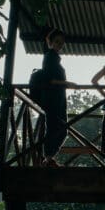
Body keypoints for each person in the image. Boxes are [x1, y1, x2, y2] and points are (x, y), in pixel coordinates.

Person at [40, 29, 70, 166]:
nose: (60, 45)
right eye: (57, 42)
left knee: (59, 129)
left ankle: (48, 158)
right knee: (57, 129)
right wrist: (67, 83)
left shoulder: (54, 58)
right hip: (53, 98)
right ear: (50, 42)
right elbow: (49, 79)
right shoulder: (50, 57)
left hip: (58, 98)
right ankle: (47, 158)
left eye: (61, 43)